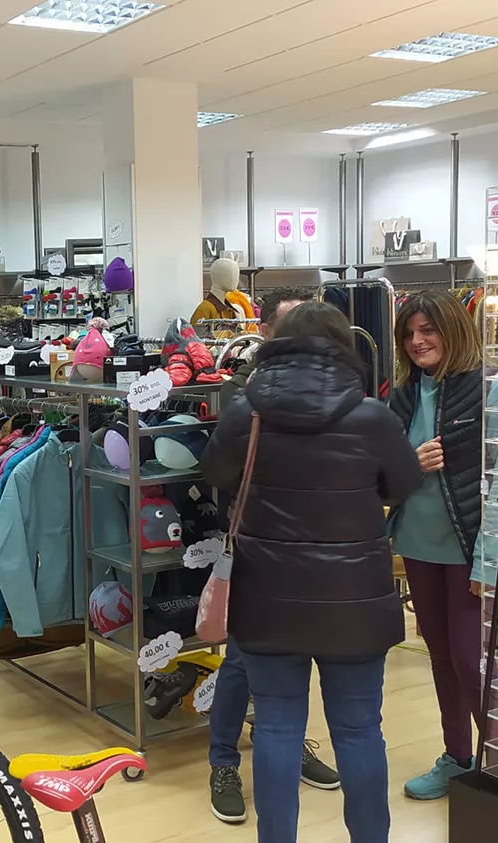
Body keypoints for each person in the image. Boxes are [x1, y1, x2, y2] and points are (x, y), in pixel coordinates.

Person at [202, 301, 422, 843]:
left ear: (276, 346)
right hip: (354, 600)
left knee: (276, 729)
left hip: (267, 597)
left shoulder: (245, 412)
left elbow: (216, 475)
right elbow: (402, 485)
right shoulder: (372, 416)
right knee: (360, 731)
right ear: (342, 348)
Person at [208, 288, 341, 825]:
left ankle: (284, 742)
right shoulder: (243, 390)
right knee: (241, 659)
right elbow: (221, 470)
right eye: (291, 327)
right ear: (265, 333)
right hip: (260, 546)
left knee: (293, 660)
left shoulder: (331, 390)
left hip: (313, 551)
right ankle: (223, 762)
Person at [387, 290, 498, 801]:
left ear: (453, 330)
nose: (417, 342)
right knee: (441, 656)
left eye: (427, 330)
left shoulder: (493, 390)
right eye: (409, 334)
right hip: (417, 546)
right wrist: (407, 465)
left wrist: (490, 559)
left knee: (470, 659)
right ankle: (458, 757)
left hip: (468, 551)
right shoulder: (400, 394)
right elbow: (381, 475)